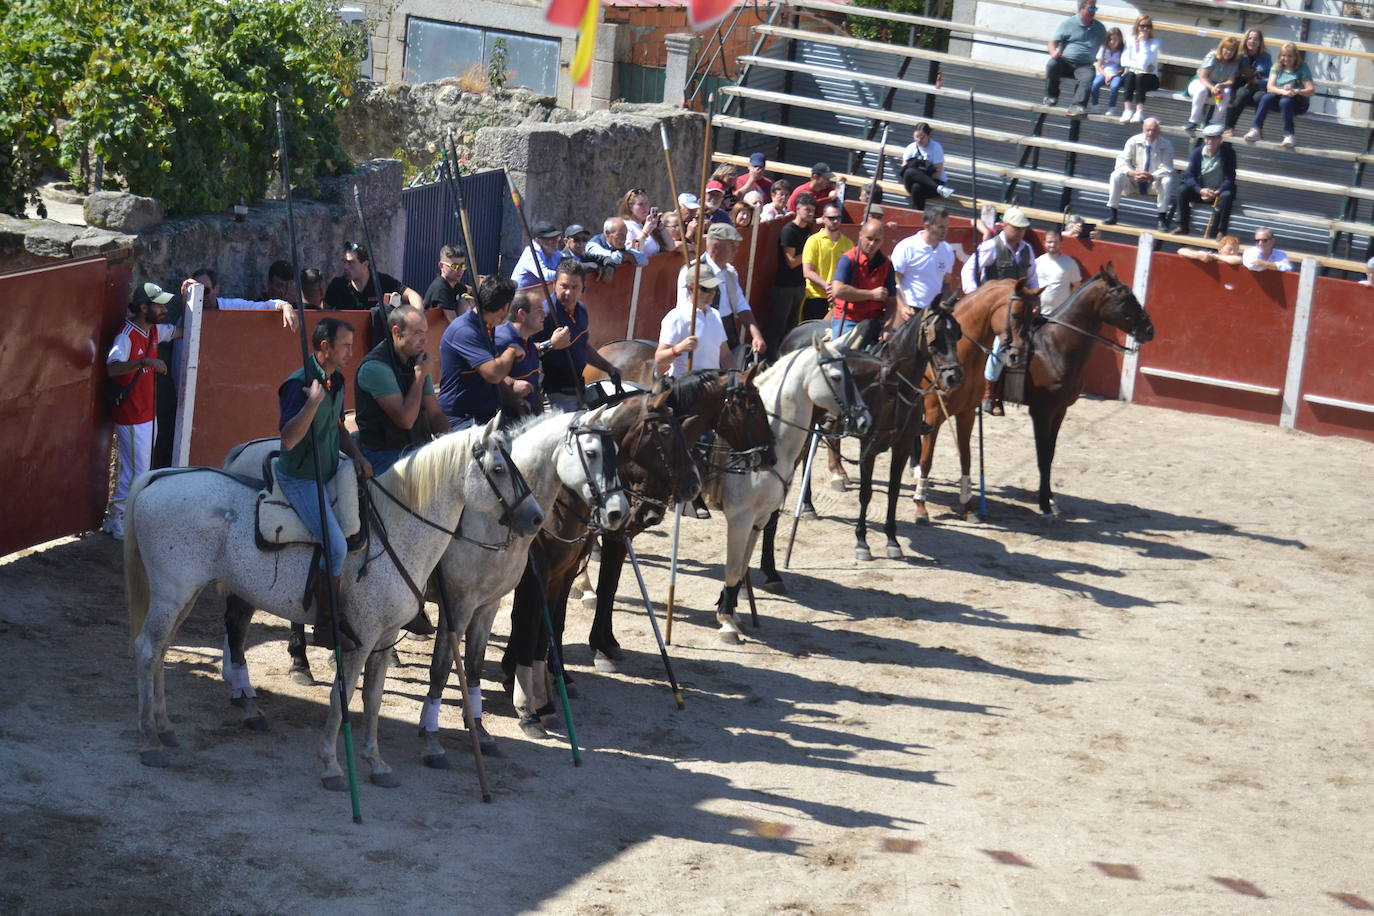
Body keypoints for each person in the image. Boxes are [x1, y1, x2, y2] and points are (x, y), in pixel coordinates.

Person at [275, 317, 372, 651]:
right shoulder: (298, 384)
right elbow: (288, 440)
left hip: (331, 470)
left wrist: (356, 455)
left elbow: (339, 427)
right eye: (344, 345)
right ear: (325, 347)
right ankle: (325, 623)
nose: (350, 351)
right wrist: (312, 402)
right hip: (300, 477)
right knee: (336, 545)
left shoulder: (338, 380)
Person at [101, 282, 182, 540]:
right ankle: (116, 517)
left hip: (147, 414)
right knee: (136, 471)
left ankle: (119, 516)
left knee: (139, 469)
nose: (164, 309)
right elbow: (113, 368)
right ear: (143, 307)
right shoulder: (126, 334)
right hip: (132, 415)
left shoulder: (154, 331)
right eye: (159, 305)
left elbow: (180, 332)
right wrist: (145, 361)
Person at [354, 304, 451, 475]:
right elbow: (405, 420)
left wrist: (452, 444)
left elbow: (434, 413)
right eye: (417, 333)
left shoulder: (417, 359)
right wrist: (419, 376)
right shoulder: (375, 367)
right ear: (397, 332)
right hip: (385, 453)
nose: (425, 340)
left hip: (418, 448)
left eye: (425, 333)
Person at [963, 207, 1038, 417]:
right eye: (1017, 228)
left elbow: (1032, 277)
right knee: (1000, 345)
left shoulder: (1027, 250)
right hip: (995, 309)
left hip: (1018, 309)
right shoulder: (991, 247)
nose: (1021, 232)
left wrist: (1034, 297)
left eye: (1023, 229)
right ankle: (988, 395)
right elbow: (969, 269)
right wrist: (976, 296)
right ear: (1005, 226)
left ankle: (1012, 392)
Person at [438, 276, 526, 429]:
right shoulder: (464, 331)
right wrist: (512, 350)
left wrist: (516, 402)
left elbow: (498, 379)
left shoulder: (486, 327)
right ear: (506, 307)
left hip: (483, 416)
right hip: (461, 420)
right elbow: (494, 374)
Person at [534, 261, 621, 411]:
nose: (568, 292)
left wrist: (608, 367)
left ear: (583, 288)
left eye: (574, 287)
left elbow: (582, 346)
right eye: (564, 286)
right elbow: (524, 350)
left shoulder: (581, 310)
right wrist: (551, 344)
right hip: (553, 392)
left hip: (579, 388)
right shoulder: (544, 314)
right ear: (554, 284)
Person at [677, 222, 768, 354]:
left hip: (728, 331)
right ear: (715, 246)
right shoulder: (692, 271)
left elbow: (740, 305)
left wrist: (756, 334)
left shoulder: (730, 272)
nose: (736, 251)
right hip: (702, 333)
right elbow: (684, 309)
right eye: (732, 246)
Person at [657, 262, 731, 377]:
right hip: (684, 385)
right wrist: (678, 348)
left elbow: (725, 355)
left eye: (714, 288)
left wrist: (738, 377)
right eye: (706, 289)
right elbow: (659, 358)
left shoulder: (715, 315)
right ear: (691, 287)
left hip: (712, 384)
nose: (712, 293)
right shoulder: (677, 317)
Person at [1104, 117, 1176, 231]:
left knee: (1167, 180)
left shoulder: (1166, 145)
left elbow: (1167, 168)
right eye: (1148, 130)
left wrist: (1150, 176)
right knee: (1116, 175)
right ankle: (1113, 213)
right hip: (1133, 180)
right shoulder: (1133, 141)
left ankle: (1162, 218)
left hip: (1153, 182)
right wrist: (1133, 173)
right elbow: (1121, 161)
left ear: (1159, 131)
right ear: (1143, 129)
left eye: (1154, 130)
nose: (1150, 133)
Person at [830, 218, 896, 343]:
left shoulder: (887, 265)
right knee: (840, 355)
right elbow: (838, 290)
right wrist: (872, 294)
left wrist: (888, 327)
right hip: (849, 319)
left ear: (882, 241)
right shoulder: (848, 259)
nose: (872, 244)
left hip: (874, 321)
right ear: (861, 236)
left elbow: (892, 301)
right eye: (869, 238)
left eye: (877, 240)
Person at [767, 192, 817, 355]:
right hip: (784, 286)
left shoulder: (807, 229)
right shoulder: (789, 230)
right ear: (797, 209)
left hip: (799, 285)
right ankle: (769, 359)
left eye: (812, 211)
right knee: (778, 326)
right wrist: (809, 254)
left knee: (791, 326)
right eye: (807, 210)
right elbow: (791, 261)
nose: (810, 213)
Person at [892, 204, 957, 322]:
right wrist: (902, 307)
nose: (945, 231)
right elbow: (895, 280)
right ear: (927, 226)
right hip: (909, 309)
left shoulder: (947, 251)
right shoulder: (907, 247)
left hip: (933, 313)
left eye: (946, 227)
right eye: (941, 227)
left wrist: (946, 301)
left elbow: (946, 283)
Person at [1246, 42, 1316, 149]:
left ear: (1295, 57)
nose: (1286, 59)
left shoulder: (1302, 67)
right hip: (1282, 96)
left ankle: (1289, 135)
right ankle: (1256, 129)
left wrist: (1296, 91)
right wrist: (1284, 91)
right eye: (1283, 55)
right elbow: (1270, 87)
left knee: (1285, 101)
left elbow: (1311, 90)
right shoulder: (1277, 66)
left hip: (1298, 102)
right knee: (1266, 97)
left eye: (1289, 56)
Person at [1044, 0, 1106, 118]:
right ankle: (1051, 96)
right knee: (1052, 64)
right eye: (1091, 9)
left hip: (1084, 65)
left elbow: (1108, 46)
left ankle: (1077, 105)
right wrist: (1053, 52)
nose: (1093, 12)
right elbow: (1052, 42)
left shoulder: (1100, 28)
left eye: (1095, 9)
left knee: (1089, 76)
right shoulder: (1068, 23)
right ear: (1081, 9)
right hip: (1065, 62)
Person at [494, 289, 552, 414]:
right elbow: (487, 374)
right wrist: (512, 384)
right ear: (522, 314)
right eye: (539, 310)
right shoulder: (500, 340)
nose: (545, 315)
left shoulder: (529, 341)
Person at [1175, 124, 1236, 238]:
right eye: (1208, 138)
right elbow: (1189, 175)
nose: (1210, 141)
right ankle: (1182, 226)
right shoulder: (1197, 153)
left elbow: (1230, 178)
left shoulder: (1229, 154)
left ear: (1220, 139)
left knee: (1227, 195)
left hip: (1218, 192)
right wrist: (1200, 190)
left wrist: (1218, 191)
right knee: (1182, 190)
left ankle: (1221, 231)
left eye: (1214, 138)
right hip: (1201, 191)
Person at [324, 242, 422, 311]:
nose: (345, 267)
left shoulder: (382, 282)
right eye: (344, 262)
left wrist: (418, 316)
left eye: (351, 263)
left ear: (365, 264)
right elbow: (324, 311)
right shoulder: (337, 286)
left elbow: (412, 295)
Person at [190, 267, 298, 330]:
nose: (201, 297)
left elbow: (263, 306)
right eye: (197, 293)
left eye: (205, 291)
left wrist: (285, 306)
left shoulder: (231, 307)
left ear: (216, 289)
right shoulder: (186, 316)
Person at [801, 200, 855, 323]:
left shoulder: (848, 243)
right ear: (824, 219)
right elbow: (808, 272)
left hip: (839, 301)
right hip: (816, 298)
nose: (836, 221)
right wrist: (828, 287)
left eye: (838, 218)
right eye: (832, 218)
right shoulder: (813, 241)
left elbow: (852, 272)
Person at [1184, 36, 1241, 133]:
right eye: (1226, 48)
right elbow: (1202, 76)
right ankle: (1192, 121)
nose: (1228, 52)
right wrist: (1211, 87)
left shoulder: (1234, 62)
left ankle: (1213, 122)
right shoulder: (1212, 56)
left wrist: (1221, 85)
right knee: (1201, 90)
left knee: (1227, 91)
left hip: (1217, 88)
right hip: (1200, 83)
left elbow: (1231, 81)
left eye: (1232, 50)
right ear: (1221, 48)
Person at [510, 219, 566, 312]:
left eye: (556, 238)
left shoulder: (554, 252)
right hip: (519, 300)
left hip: (539, 299)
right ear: (538, 241)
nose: (556, 242)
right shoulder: (531, 252)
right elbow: (545, 275)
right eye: (551, 239)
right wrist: (565, 276)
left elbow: (570, 263)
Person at [1224, 29, 1272, 135]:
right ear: (1246, 40)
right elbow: (1231, 71)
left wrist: (1259, 81)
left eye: (1256, 39)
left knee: (1260, 97)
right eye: (1250, 38)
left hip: (1258, 87)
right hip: (1242, 86)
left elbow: (1271, 77)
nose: (1252, 41)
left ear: (1260, 42)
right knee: (1242, 94)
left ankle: (1256, 129)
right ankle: (1229, 126)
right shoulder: (1239, 55)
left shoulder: (1266, 57)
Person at [1117, 15, 1161, 124]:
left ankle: (1139, 111)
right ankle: (1127, 110)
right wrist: (1140, 66)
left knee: (1139, 77)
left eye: (1148, 26)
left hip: (1150, 78)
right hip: (1133, 77)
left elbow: (1144, 63)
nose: (1145, 29)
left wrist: (1143, 43)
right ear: (1137, 26)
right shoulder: (1130, 40)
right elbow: (1124, 61)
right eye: (1142, 26)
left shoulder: (1154, 43)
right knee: (1130, 75)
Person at [899, 122, 954, 209]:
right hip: (914, 182)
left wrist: (920, 174)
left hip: (932, 183)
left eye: (922, 137)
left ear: (929, 136)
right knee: (909, 171)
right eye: (916, 137)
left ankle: (917, 217)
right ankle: (939, 189)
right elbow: (904, 170)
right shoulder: (911, 147)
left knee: (917, 188)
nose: (919, 140)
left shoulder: (936, 147)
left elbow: (937, 175)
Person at [1034, 227, 1083, 315]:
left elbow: (1077, 286)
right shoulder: (1037, 262)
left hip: (1058, 315)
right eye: (1049, 242)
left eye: (1056, 242)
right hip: (1037, 311)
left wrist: (1067, 306)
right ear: (1044, 243)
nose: (1053, 245)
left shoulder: (1070, 263)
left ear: (1061, 243)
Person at [422, 243, 470, 316]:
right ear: (441, 266)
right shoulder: (441, 289)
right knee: (462, 304)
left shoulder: (454, 285)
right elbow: (454, 324)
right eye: (455, 266)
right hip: (436, 327)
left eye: (463, 266)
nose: (460, 270)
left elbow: (471, 290)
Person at [618, 188, 667, 257]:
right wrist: (645, 232)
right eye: (640, 204)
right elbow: (632, 252)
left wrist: (660, 225)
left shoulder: (644, 224)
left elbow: (670, 247)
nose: (645, 207)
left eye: (646, 203)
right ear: (630, 207)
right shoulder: (626, 226)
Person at [1090, 27, 1125, 115]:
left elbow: (1122, 69)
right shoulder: (1104, 48)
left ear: (1120, 39)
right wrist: (1105, 74)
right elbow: (1099, 65)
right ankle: (1095, 105)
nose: (1112, 42)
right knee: (1095, 84)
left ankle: (1111, 108)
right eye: (1110, 39)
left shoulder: (1122, 50)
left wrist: (1113, 75)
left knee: (1114, 86)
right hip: (1104, 72)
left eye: (1115, 39)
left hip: (1116, 73)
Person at [1177, 235, 1244, 266]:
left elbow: (1239, 260)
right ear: (1220, 249)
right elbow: (1181, 250)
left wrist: (1215, 257)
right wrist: (1199, 255)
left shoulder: (1238, 260)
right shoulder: (1208, 254)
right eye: (1230, 249)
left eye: (1236, 250)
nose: (1233, 252)